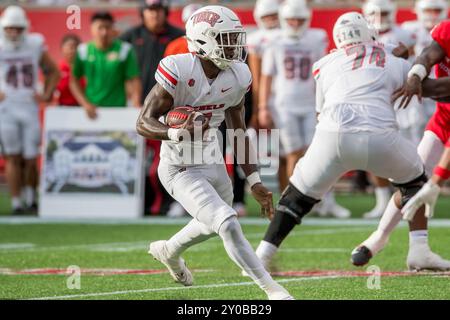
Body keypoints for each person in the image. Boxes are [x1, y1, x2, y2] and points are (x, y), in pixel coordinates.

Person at [252, 12, 431, 273]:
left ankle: (262, 255)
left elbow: (319, 111)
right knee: (416, 182)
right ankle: (419, 250)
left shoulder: (325, 64)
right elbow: (418, 82)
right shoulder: (394, 61)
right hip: (379, 136)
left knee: (296, 197)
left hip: (332, 136)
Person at [136, 5, 293, 300]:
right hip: (178, 166)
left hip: (213, 160)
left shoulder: (238, 74)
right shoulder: (178, 68)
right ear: (203, 40)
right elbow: (143, 122)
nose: (234, 45)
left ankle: (169, 251)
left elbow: (238, 130)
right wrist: (174, 132)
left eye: (235, 38)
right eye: (226, 38)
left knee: (211, 224)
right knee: (227, 222)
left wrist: (254, 180)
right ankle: (274, 291)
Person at [351, 20, 450, 271]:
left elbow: (440, 88)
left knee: (426, 181)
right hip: (444, 118)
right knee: (413, 178)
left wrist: (399, 75)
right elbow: (429, 54)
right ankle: (379, 238)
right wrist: (414, 73)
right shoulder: (447, 29)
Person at [259, 0, 350, 219]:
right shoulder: (275, 41)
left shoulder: (315, 38)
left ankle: (325, 201)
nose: (295, 23)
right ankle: (296, 201)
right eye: (291, 19)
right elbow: (267, 77)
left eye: (299, 19)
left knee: (318, 153)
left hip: (311, 103)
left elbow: (324, 72)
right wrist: (263, 106)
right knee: (293, 154)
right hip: (285, 106)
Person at [362, 0, 426, 219]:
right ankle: (382, 200)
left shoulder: (406, 33)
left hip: (405, 102)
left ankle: (417, 200)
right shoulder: (360, 36)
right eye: (374, 14)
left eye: (384, 13)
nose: (379, 19)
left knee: (416, 153)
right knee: (375, 153)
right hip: (377, 100)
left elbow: (418, 62)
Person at [0, 6, 60, 214]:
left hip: (28, 105)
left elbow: (53, 71)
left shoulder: (34, 43)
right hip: (6, 108)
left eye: (17, 28)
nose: (14, 33)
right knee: (12, 156)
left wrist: (46, 94)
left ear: (24, 27)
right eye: (10, 29)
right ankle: (17, 202)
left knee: (31, 157)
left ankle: (31, 197)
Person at [70, 11, 141, 120]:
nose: (104, 32)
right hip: (92, 112)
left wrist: (135, 101)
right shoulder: (83, 51)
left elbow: (134, 79)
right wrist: (85, 104)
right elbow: (74, 81)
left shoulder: (124, 50)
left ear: (113, 29)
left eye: (107, 28)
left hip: (118, 111)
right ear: (92, 29)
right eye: (100, 28)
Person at [120, 0, 184, 104]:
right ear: (142, 12)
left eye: (159, 11)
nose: (155, 15)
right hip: (136, 100)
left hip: (169, 99)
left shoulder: (178, 36)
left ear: (165, 12)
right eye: (150, 10)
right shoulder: (131, 36)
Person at [402, 0, 448, 121]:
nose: (432, 15)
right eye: (428, 10)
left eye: (437, 10)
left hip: (443, 85)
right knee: (413, 123)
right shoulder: (407, 29)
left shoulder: (446, 29)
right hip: (415, 83)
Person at [56, 34, 84, 106]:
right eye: (70, 47)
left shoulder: (86, 68)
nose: (73, 50)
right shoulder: (58, 69)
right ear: (62, 49)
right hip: (63, 108)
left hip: (84, 107)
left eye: (76, 47)